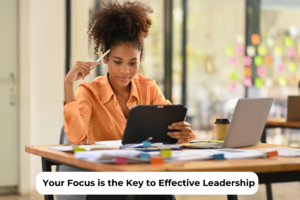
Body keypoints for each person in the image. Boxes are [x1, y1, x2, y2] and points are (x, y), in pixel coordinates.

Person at [63, 0, 196, 199]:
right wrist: (68, 85)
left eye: (133, 63)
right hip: (106, 177)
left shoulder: (148, 88)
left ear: (140, 59)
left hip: (144, 172)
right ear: (105, 58)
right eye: (118, 62)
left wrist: (183, 132)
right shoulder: (88, 91)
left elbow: (174, 126)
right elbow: (76, 138)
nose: (125, 70)